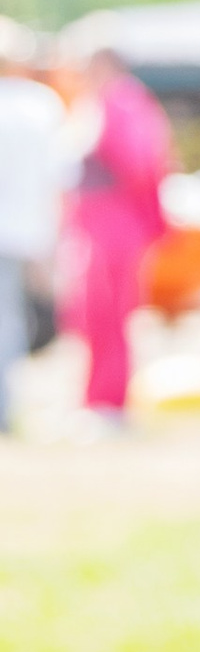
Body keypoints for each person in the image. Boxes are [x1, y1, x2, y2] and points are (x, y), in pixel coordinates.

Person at [58, 38, 174, 432]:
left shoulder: (121, 102)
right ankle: (95, 400)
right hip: (99, 223)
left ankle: (108, 403)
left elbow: (139, 166)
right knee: (92, 314)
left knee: (108, 313)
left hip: (114, 223)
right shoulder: (108, 102)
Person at [0, 51, 69, 430]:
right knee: (15, 323)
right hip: (28, 231)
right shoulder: (39, 105)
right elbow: (56, 176)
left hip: (18, 229)